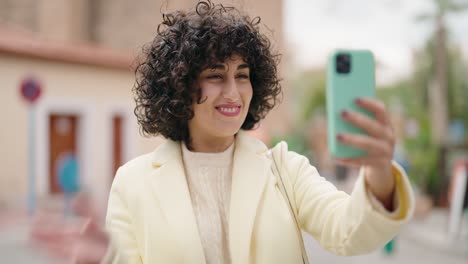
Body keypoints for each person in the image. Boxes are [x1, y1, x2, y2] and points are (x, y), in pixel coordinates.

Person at [31, 1, 415, 263]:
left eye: (242, 76)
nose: (233, 93)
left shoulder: (285, 169)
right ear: (180, 86)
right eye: (215, 75)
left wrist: (380, 173)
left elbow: (349, 231)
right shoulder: (132, 184)